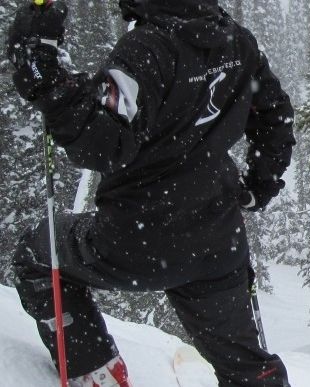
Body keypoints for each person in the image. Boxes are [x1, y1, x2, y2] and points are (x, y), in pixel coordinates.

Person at [5, 0, 294, 386]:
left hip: (137, 238)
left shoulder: (146, 49)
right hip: (216, 240)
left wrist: (44, 74)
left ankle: (94, 370)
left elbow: (101, 143)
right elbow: (274, 117)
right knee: (246, 366)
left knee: (37, 254)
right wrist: (258, 186)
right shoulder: (236, 41)